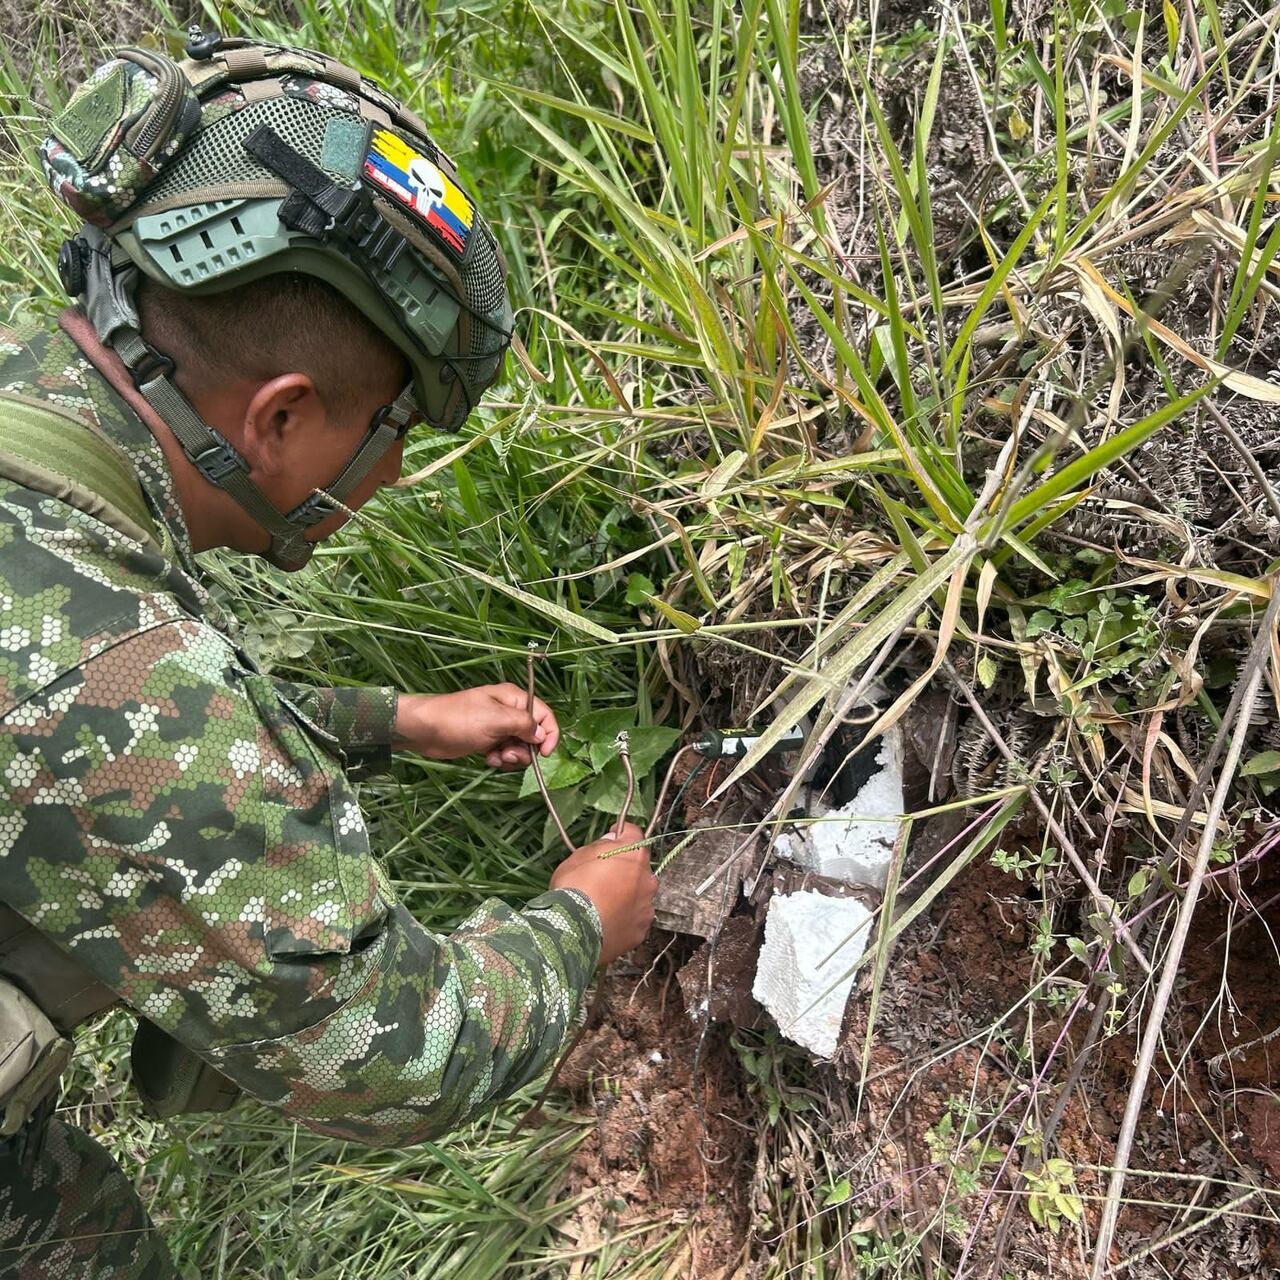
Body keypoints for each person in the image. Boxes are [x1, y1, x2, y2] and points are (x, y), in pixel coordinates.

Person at [0, 30, 656, 1278]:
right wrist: (584, 920)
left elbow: (93, 727)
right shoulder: (101, 674)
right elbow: (395, 1054)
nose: (397, 470)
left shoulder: (36, 449)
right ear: (283, 415)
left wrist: (394, 718)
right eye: (393, 426)